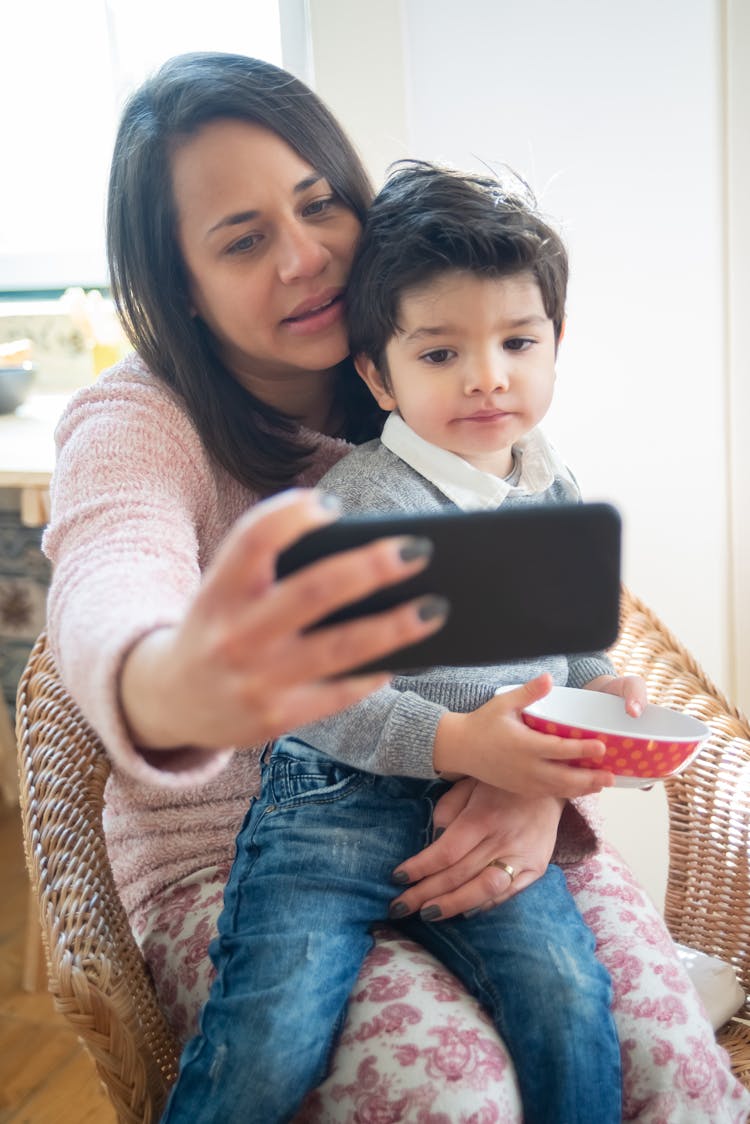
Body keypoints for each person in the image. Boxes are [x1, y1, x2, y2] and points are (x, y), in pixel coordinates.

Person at [41, 51, 750, 1122]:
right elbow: (108, 577)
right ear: (179, 284)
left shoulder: (449, 363)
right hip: (249, 855)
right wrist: (169, 679)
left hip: (492, 806)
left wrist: (537, 777)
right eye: (242, 239)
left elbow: (550, 629)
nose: (307, 257)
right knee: (457, 1094)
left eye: (319, 202)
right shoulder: (138, 424)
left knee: (664, 1066)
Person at [162, 162, 631, 1124]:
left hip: (483, 810)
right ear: (376, 371)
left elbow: (574, 649)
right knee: (271, 1031)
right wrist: (458, 742)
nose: (487, 376)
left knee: (569, 999)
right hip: (331, 807)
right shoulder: (353, 503)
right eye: (439, 354)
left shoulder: (555, 486)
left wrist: (606, 691)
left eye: (515, 341)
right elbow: (313, 686)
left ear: (556, 344)